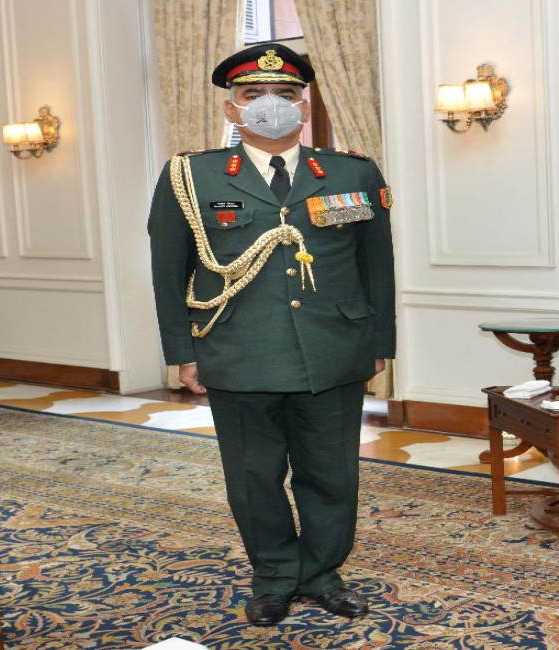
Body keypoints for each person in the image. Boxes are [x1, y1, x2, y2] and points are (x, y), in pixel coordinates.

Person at [148, 43, 395, 626]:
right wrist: (182, 351)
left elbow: (377, 265)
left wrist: (379, 343)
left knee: (331, 473)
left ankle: (323, 574)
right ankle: (275, 576)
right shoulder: (191, 175)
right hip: (238, 351)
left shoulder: (352, 171)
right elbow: (168, 271)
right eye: (253, 94)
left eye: (285, 94)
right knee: (254, 476)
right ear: (231, 109)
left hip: (333, 350)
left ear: (304, 107)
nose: (270, 104)